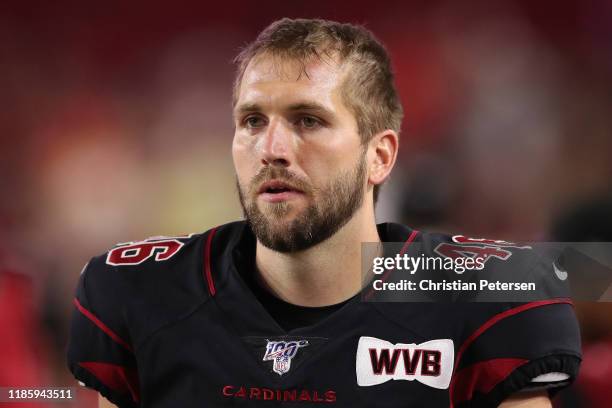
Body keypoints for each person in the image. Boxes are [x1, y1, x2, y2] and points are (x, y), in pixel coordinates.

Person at [67, 18, 581, 407]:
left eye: (307, 120)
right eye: (251, 120)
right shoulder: (136, 293)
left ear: (380, 156)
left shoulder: (495, 295)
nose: (271, 147)